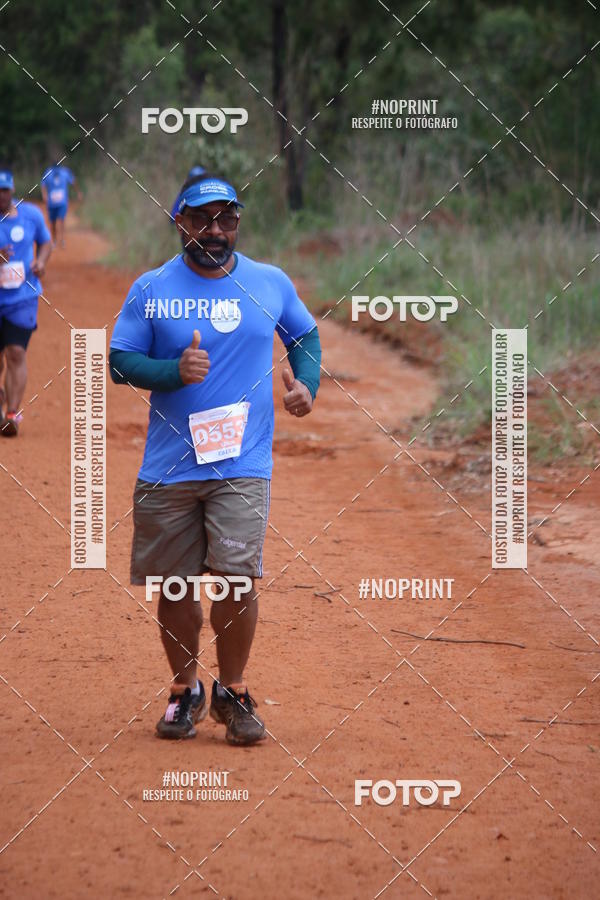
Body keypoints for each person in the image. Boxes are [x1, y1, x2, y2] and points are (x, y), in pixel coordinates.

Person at [109, 172, 321, 745]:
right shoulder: (151, 288)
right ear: (180, 221)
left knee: (236, 580)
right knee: (175, 588)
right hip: (169, 466)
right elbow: (120, 359)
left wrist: (306, 384)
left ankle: (233, 690)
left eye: (227, 218)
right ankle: (185, 691)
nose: (216, 229)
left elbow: (303, 335)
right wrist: (170, 373)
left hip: (241, 464)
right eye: (203, 218)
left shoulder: (269, 282)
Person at [0, 168, 52, 436]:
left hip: (22, 298)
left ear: (12, 191)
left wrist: (41, 262)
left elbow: (45, 241)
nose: (1, 196)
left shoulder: (30, 214)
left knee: (16, 352)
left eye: (5, 190)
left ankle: (12, 413)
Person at [40, 162, 81, 247]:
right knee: (53, 222)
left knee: (61, 220)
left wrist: (78, 192)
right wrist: (44, 195)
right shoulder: (48, 172)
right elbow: (43, 184)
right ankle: (54, 240)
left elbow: (73, 181)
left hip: (62, 202)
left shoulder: (65, 172)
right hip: (52, 203)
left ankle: (62, 239)